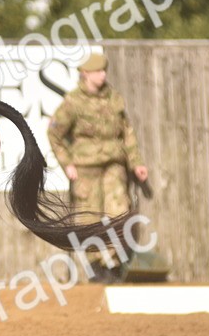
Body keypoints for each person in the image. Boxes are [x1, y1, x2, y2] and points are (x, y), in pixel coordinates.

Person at [47, 51, 149, 282]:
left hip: (114, 166)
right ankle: (95, 267)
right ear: (85, 73)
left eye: (104, 70)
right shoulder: (73, 102)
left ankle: (112, 264)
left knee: (118, 213)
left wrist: (136, 163)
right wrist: (67, 163)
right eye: (97, 71)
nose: (102, 75)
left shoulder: (114, 98)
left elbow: (127, 133)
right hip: (86, 169)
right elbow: (54, 134)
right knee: (90, 217)